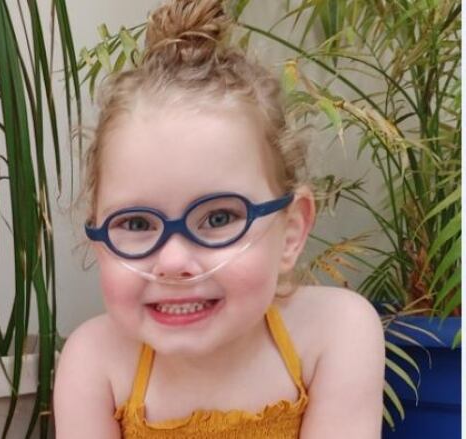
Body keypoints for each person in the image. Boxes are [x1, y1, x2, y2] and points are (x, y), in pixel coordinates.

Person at [53, 0, 385, 437]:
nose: (173, 262)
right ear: (98, 242)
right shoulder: (94, 362)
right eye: (136, 224)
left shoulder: (337, 332)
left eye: (219, 217)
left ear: (290, 231)